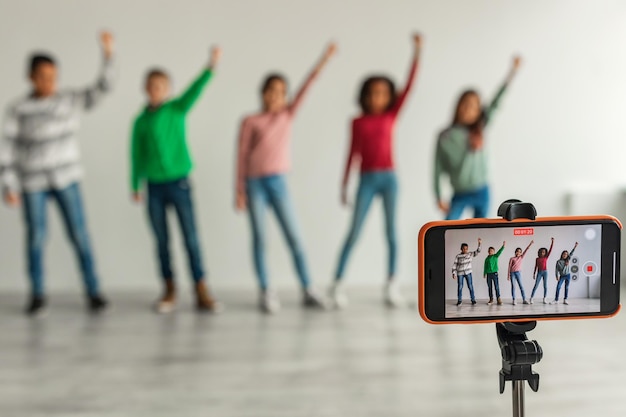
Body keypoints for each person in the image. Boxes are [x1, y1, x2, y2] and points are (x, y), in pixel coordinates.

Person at [0, 31, 115, 316]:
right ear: (31, 77)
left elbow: (103, 87)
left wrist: (109, 54)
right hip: (33, 181)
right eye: (43, 76)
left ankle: (93, 291)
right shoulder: (18, 109)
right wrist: (8, 184)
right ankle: (37, 294)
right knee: (37, 237)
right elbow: (6, 149)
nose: (49, 82)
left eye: (53, 76)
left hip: (66, 178)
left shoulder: (69, 100)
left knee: (79, 234)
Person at [235, 43, 336, 314]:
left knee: (295, 237)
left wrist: (323, 60)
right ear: (263, 93)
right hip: (255, 184)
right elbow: (241, 156)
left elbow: (307, 86)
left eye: (281, 92)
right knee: (260, 239)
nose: (276, 96)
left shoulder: (287, 115)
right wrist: (239, 190)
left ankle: (308, 288)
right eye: (271, 91)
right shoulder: (250, 121)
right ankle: (266, 290)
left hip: (278, 182)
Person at [330, 33, 422, 309]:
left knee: (392, 233)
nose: (377, 97)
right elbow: (351, 154)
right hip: (367, 179)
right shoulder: (357, 122)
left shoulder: (390, 116)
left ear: (389, 97)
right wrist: (344, 185)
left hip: (390, 178)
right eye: (372, 93)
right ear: (364, 96)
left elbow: (409, 87)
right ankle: (337, 284)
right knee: (354, 232)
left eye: (382, 93)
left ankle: (392, 284)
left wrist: (417, 52)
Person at [130, 46, 222, 314]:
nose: (156, 90)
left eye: (161, 86)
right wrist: (134, 184)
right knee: (161, 240)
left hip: (179, 182)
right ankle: (169, 288)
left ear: (167, 88)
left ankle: (201, 288)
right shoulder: (140, 122)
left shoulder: (176, 109)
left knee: (190, 237)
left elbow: (195, 90)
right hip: (154, 186)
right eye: (151, 86)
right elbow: (135, 154)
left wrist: (210, 67)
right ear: (145, 89)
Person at [433, 56, 522, 220]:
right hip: (459, 192)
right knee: (448, 227)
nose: (468, 109)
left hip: (482, 190)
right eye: (465, 104)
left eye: (474, 106)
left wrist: (512, 73)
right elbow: (436, 169)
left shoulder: (480, 129)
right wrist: (438, 196)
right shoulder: (444, 136)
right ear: (458, 106)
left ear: (479, 111)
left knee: (481, 230)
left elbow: (496, 101)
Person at [452, 238, 481, 306]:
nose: (465, 250)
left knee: (470, 286)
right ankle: (459, 300)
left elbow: (478, 251)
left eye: (466, 249)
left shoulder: (470, 254)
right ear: (461, 249)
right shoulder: (458, 256)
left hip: (468, 273)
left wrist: (479, 243)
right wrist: (454, 273)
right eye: (463, 249)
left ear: (467, 249)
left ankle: (473, 300)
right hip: (460, 273)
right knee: (460, 286)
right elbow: (455, 265)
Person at [507, 240, 533, 305]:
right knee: (513, 286)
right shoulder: (512, 258)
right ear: (515, 252)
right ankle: (514, 299)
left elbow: (526, 250)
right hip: (512, 273)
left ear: (521, 253)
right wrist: (508, 275)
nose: (518, 253)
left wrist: (530, 244)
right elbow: (509, 267)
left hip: (518, 273)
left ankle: (524, 299)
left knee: (521, 286)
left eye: (520, 252)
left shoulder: (521, 257)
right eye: (517, 251)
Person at [530, 237, 554, 304]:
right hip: (539, 272)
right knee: (536, 285)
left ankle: (545, 298)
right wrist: (534, 274)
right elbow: (536, 266)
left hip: (545, 272)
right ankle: (531, 298)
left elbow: (550, 250)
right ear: (539, 252)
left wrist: (552, 242)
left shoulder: (546, 257)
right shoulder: (537, 259)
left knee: (545, 286)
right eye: (541, 252)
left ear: (545, 253)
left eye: (544, 252)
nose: (543, 253)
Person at [483, 241, 505, 305]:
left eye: (492, 251)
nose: (491, 252)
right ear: (488, 252)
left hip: (495, 273)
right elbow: (485, 267)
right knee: (490, 287)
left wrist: (503, 246)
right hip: (488, 274)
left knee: (496, 286)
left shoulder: (495, 256)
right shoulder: (486, 259)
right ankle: (491, 299)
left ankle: (498, 299)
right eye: (490, 251)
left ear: (494, 252)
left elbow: (499, 252)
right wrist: (484, 273)